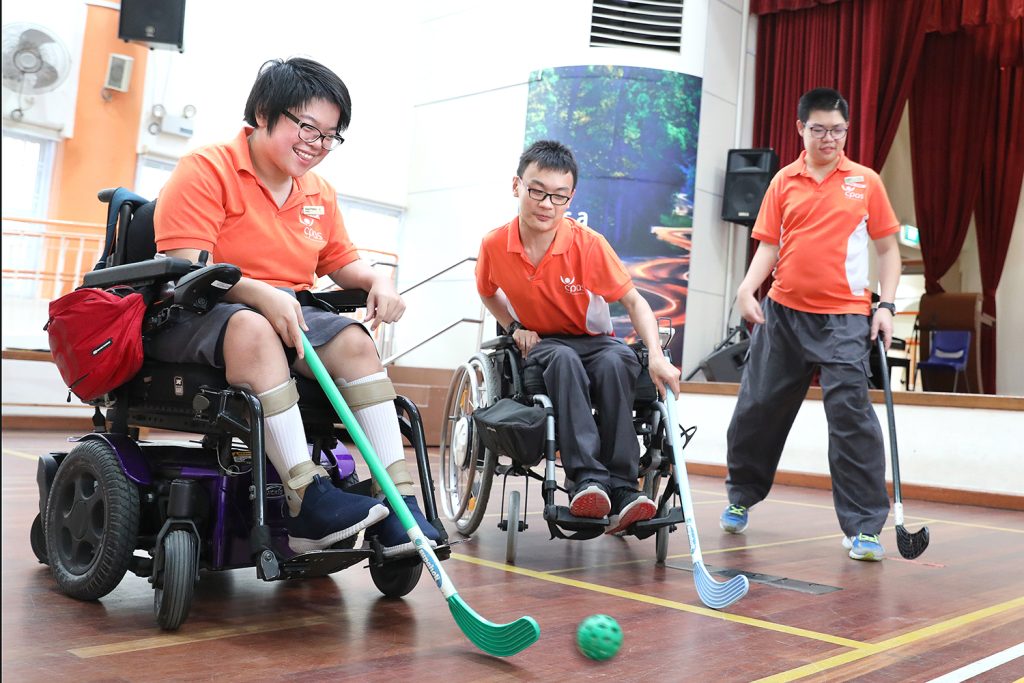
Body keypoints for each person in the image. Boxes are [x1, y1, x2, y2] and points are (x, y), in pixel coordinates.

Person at [150, 57, 441, 557]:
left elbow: (343, 262)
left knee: (354, 340)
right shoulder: (207, 168)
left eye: (330, 135)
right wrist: (261, 293)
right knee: (253, 328)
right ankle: (305, 497)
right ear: (264, 112)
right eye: (307, 127)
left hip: (289, 312)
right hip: (200, 309)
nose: (317, 144)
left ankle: (398, 501)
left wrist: (379, 280)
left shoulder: (318, 192)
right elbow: (186, 264)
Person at [719, 88, 901, 561]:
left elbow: (888, 251)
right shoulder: (783, 181)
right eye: (819, 129)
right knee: (758, 407)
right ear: (801, 128)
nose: (829, 138)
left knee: (850, 416)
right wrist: (746, 289)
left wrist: (886, 305)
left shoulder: (865, 182)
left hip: (845, 319)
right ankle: (741, 495)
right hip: (782, 313)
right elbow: (769, 246)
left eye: (838, 130)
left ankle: (864, 528)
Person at [475, 140, 682, 535]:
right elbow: (487, 292)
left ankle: (624, 487)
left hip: (595, 341)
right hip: (546, 344)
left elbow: (634, 302)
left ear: (570, 198)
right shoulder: (495, 245)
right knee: (563, 360)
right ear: (517, 186)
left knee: (619, 360)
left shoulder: (588, 244)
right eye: (537, 191)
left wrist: (656, 355)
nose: (546, 204)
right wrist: (514, 327)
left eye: (559, 196)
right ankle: (587, 481)